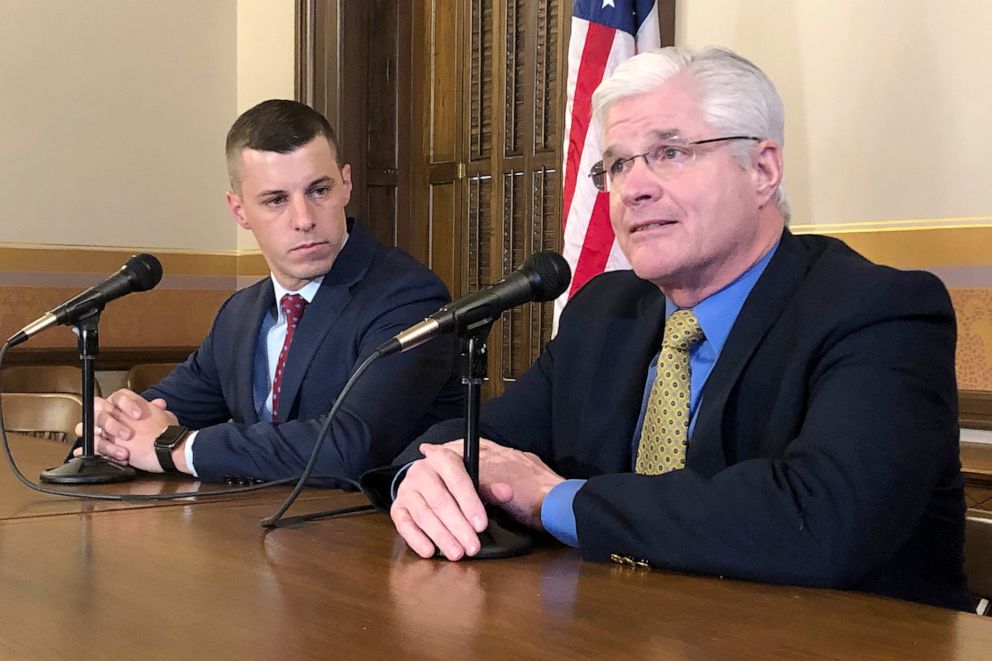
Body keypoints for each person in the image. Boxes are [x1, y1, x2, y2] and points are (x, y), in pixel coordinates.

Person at [367, 47, 970, 611]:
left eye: (671, 152)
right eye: (618, 165)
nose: (635, 187)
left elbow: (823, 521)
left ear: (762, 169)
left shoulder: (878, 310)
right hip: (618, 627)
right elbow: (487, 437)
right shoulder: (606, 309)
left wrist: (553, 499)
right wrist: (425, 473)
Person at [79, 99, 461, 483]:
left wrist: (177, 448)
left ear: (346, 184)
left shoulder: (408, 297)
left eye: (319, 191)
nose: (304, 219)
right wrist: (112, 429)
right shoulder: (239, 313)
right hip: (254, 528)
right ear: (239, 210)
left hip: (373, 535)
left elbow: (349, 448)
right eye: (276, 200)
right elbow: (159, 411)